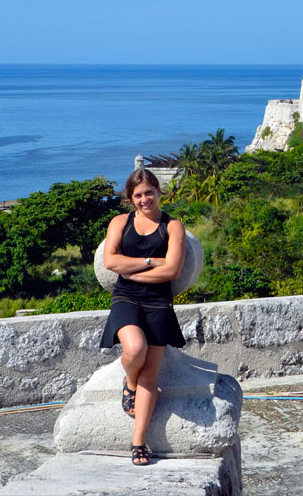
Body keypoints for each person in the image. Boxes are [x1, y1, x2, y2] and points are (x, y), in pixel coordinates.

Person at [99, 168, 186, 466]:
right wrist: (150, 262)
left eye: (149, 192)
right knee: (135, 349)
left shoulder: (173, 226)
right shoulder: (120, 223)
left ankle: (139, 443)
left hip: (159, 302)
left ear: (159, 192)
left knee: (151, 374)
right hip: (125, 297)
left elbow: (173, 270)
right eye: (138, 195)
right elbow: (110, 260)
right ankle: (129, 382)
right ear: (130, 198)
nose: (144, 199)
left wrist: (134, 270)